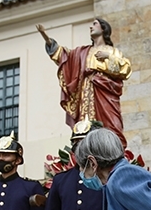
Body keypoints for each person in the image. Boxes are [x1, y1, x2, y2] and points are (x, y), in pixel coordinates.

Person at [37, 19, 132, 147]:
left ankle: (111, 149)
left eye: (94, 24)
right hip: (86, 91)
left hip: (105, 94)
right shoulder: (82, 52)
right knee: (84, 128)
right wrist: (46, 37)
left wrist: (108, 57)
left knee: (111, 125)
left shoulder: (113, 51)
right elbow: (64, 56)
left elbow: (125, 69)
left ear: (103, 29)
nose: (90, 27)